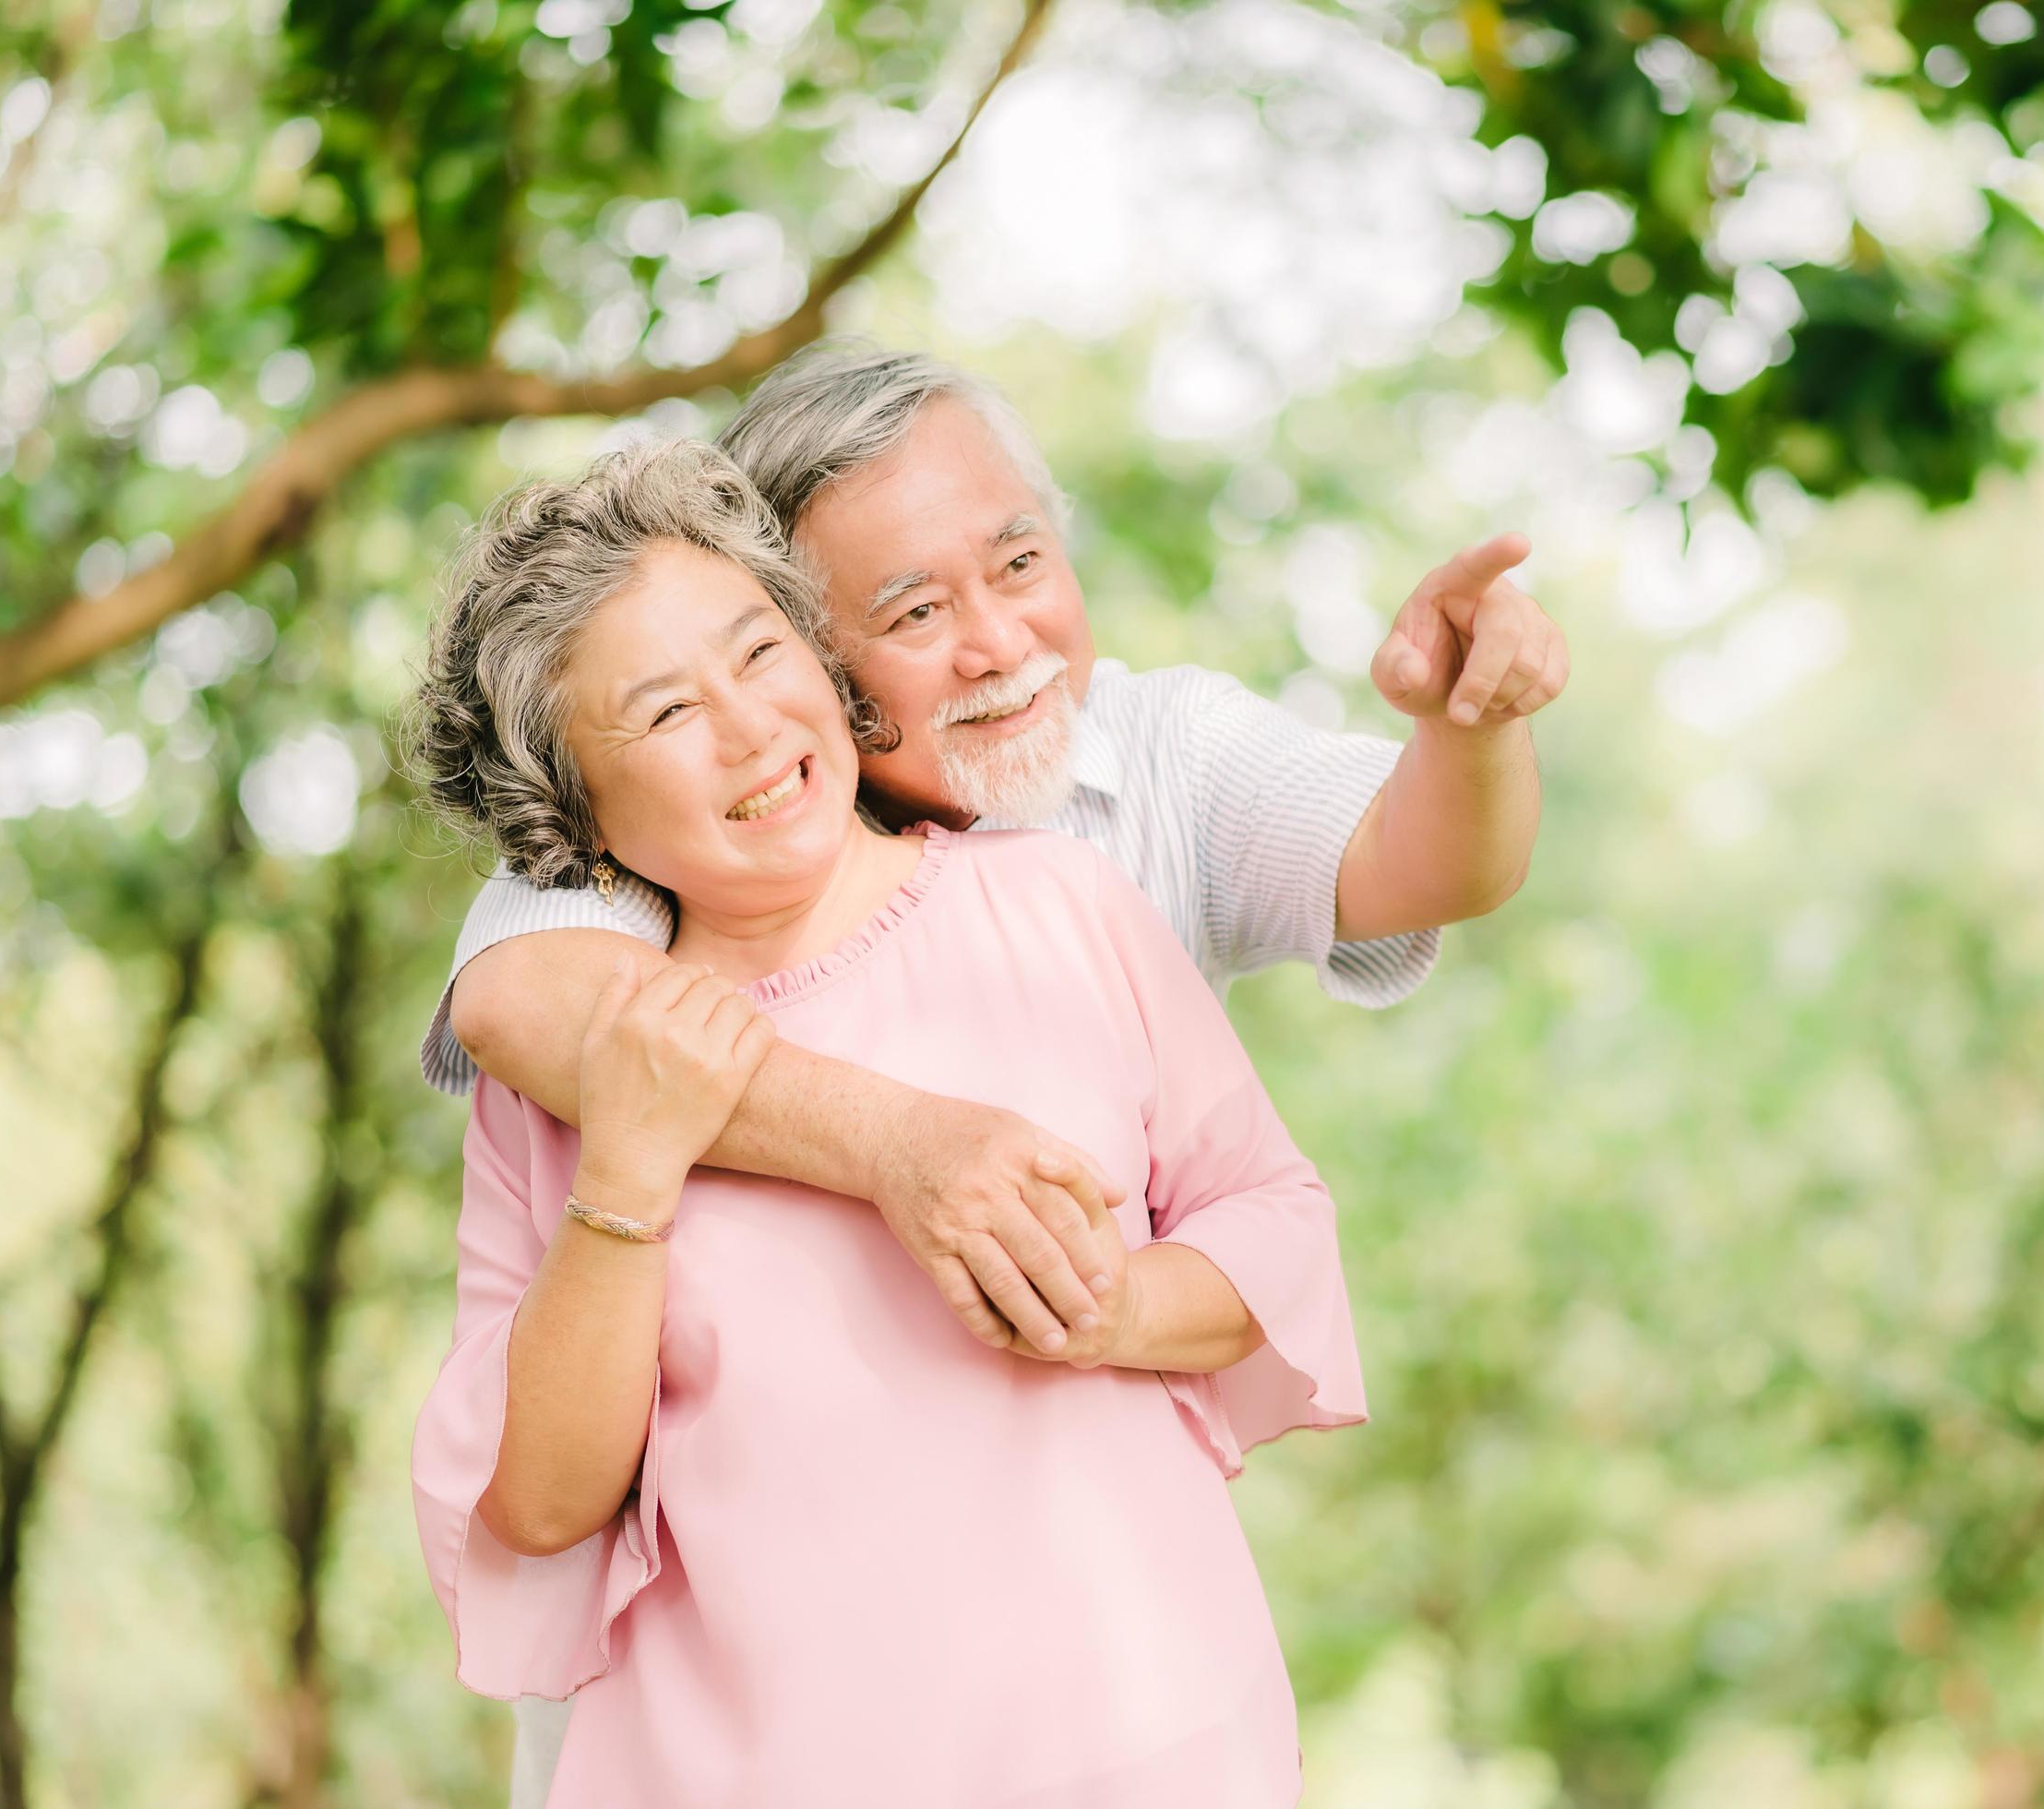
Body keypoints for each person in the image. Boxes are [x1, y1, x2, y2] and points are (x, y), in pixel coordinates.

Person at [419, 344, 1566, 1800]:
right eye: (909, 611)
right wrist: (690, 1164)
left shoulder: (1089, 871)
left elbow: (1410, 896)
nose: (995, 641)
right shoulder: (595, 980)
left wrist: (1471, 727)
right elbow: (527, 1018)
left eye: (1020, 561)